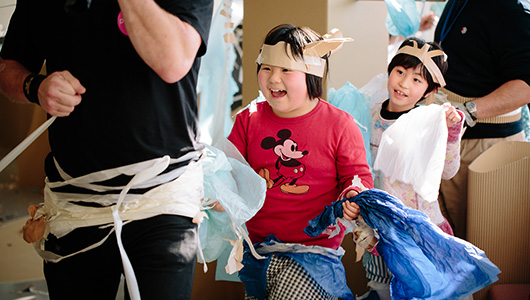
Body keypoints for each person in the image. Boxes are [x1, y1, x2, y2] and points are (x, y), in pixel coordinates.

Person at [0, 0, 213, 299]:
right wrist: (34, 86)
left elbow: (173, 62)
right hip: (74, 202)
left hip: (163, 195)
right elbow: (8, 66)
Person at [226, 24, 373, 300]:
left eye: (285, 70)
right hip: (258, 251)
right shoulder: (248, 120)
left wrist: (353, 195)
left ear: (311, 74)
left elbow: (357, 176)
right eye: (266, 67)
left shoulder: (339, 125)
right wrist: (223, 192)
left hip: (313, 254)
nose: (272, 78)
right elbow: (229, 170)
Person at [359, 37, 464, 300]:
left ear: (429, 91)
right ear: (390, 70)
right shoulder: (368, 116)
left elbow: (448, 171)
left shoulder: (430, 123)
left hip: (421, 229)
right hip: (378, 228)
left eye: (417, 80)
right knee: (382, 288)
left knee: (425, 291)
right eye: (400, 72)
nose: (404, 83)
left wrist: (451, 133)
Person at [433, 0, 530, 239]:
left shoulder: (508, 10)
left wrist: (467, 111)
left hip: (484, 146)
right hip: (448, 139)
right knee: (447, 237)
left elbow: (526, 86)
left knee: (478, 242)